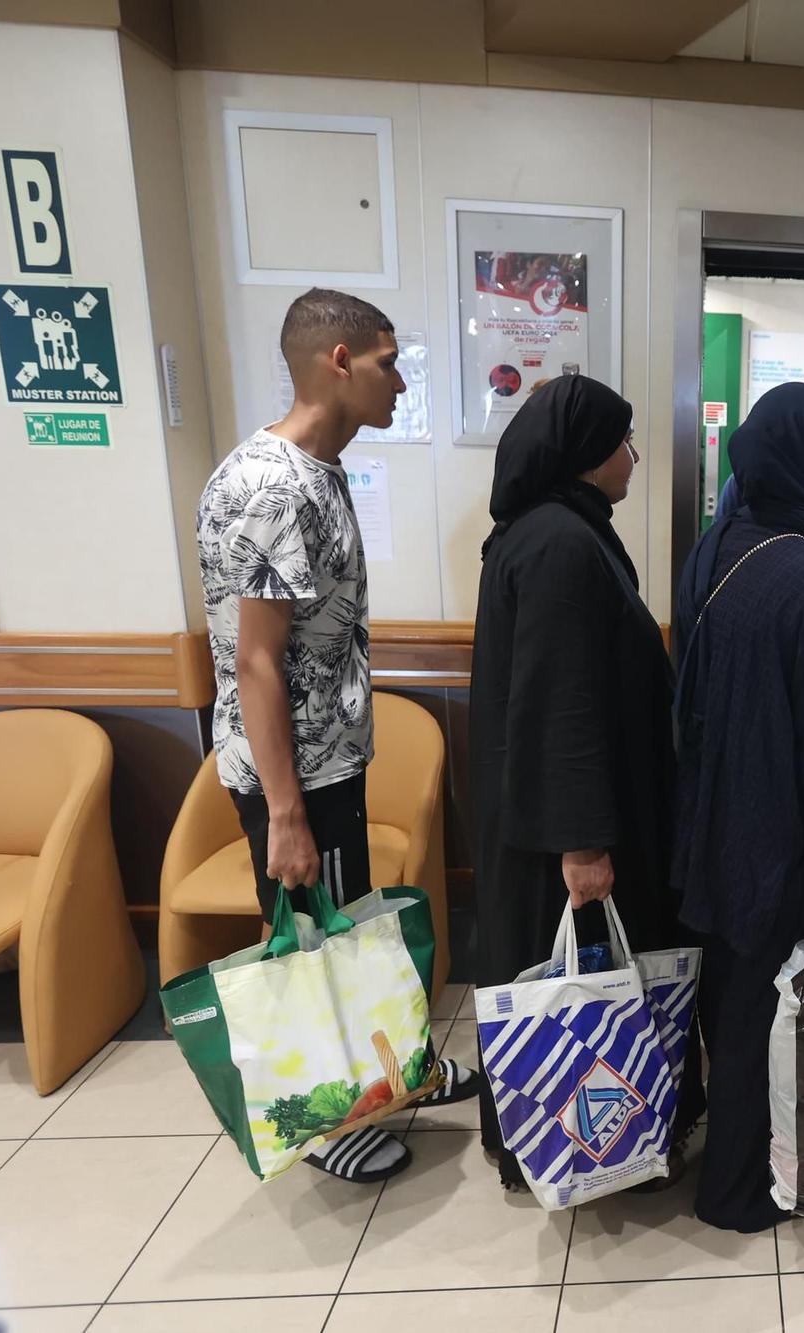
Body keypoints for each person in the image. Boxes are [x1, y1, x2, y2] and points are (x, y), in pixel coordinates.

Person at [196, 288, 481, 1185]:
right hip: (296, 775)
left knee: (345, 935)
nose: (399, 382)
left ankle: (390, 1077)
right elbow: (257, 664)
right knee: (314, 946)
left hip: (323, 759)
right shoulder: (274, 484)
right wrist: (285, 811)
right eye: (389, 362)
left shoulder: (316, 473)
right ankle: (331, 1121)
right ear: (338, 362)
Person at [469, 373, 696, 1192]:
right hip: (567, 833)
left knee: (565, 988)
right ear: (589, 452)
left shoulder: (548, 530)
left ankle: (576, 1139)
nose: (634, 455)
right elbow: (563, 704)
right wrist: (585, 847)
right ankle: (580, 1146)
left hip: (548, 818)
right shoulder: (562, 543)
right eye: (625, 440)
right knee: (573, 991)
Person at [672, 382, 804, 1234]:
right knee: (771, 1013)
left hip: (705, 821)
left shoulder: (713, 546)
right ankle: (735, 1189)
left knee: (730, 1000)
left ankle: (725, 1153)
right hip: (778, 839)